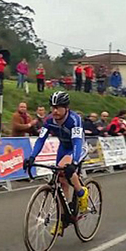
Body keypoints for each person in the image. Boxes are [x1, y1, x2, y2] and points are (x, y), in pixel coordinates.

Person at [23, 91, 89, 236]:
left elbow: (77, 141)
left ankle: (81, 192)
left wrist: (75, 162)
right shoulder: (49, 120)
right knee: (60, 180)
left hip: (77, 148)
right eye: (52, 107)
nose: (55, 111)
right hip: (63, 148)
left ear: (66, 108)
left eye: (58, 107)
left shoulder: (74, 119)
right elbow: (41, 140)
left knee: (65, 169)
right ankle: (62, 218)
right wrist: (32, 157)